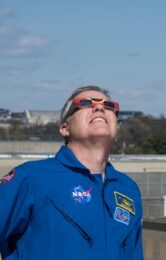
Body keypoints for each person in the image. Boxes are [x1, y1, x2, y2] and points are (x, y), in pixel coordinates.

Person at [0, 86, 143, 259]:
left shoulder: (128, 189)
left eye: (109, 106)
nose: (99, 107)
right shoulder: (31, 178)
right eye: (85, 103)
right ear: (65, 128)